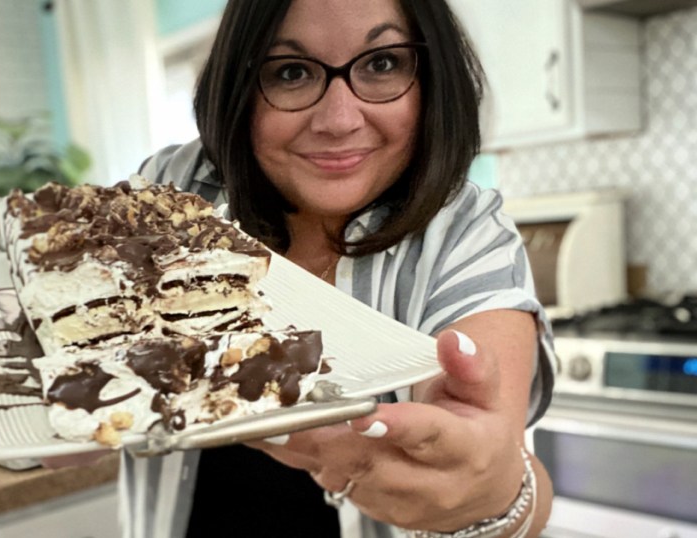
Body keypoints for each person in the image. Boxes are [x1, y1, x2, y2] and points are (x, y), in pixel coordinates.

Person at [118, 0, 558, 537]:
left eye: (382, 64)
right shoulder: (177, 185)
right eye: (291, 72)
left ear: (432, 77)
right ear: (239, 87)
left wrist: (495, 496)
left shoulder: (467, 236)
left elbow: (482, 459)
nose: (339, 120)